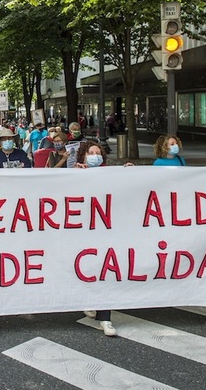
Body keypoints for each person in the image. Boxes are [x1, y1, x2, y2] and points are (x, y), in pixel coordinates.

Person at [74, 141, 132, 336]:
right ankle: (88, 301)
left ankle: (105, 318)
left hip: (105, 232)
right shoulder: (74, 173)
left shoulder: (110, 174)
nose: (95, 156)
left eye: (98, 153)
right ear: (83, 156)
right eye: (91, 153)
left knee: (105, 271)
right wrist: (75, 174)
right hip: (82, 232)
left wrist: (129, 173)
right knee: (87, 270)